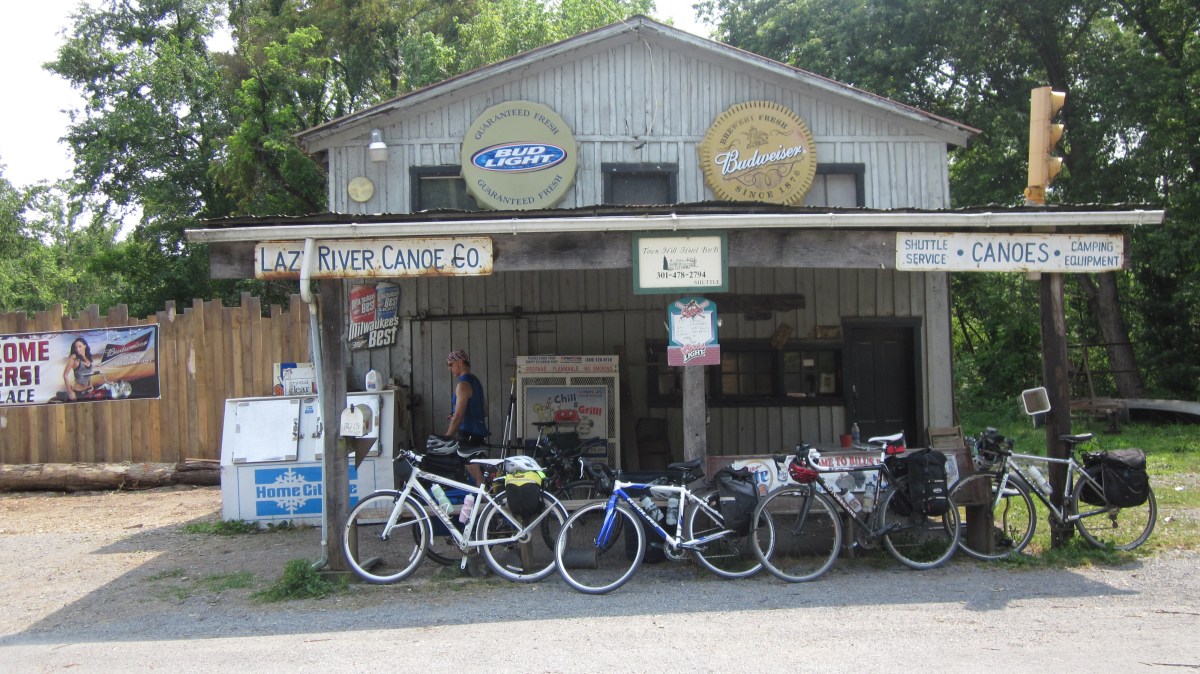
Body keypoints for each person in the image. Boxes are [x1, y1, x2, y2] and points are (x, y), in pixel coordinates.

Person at [444, 349, 490, 484]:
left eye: (450, 364)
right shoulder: (476, 382)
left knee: (469, 464)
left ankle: (484, 496)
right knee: (474, 466)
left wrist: (446, 438)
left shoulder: (462, 385)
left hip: (468, 432)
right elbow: (485, 411)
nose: (449, 369)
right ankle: (482, 496)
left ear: (460, 362)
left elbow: (458, 417)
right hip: (479, 432)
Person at [62, 337, 96, 401]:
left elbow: (88, 374)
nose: (78, 349)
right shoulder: (74, 358)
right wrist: (70, 392)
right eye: (76, 347)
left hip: (88, 392)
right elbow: (65, 375)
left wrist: (91, 385)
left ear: (85, 346)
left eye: (80, 346)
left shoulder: (88, 357)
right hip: (78, 392)